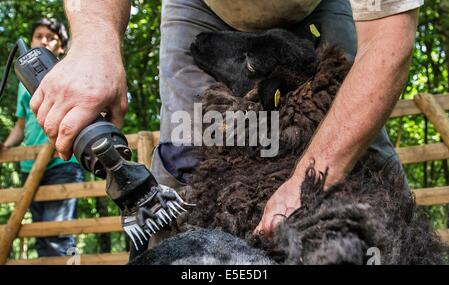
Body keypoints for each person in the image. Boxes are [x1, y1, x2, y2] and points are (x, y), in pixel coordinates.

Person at [29, 0, 422, 239]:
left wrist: (313, 177)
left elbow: (387, 45)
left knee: (359, 144)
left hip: (318, 5)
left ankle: (399, 249)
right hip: (201, 8)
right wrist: (95, 43)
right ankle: (170, 250)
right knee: (186, 149)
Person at [0, 18, 84, 257]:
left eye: (51, 37)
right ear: (30, 41)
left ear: (61, 47)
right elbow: (21, 124)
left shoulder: (70, 72)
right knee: (39, 236)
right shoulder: (22, 82)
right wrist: (5, 146)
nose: (44, 40)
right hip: (30, 165)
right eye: (38, 36)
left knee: (58, 234)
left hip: (62, 161)